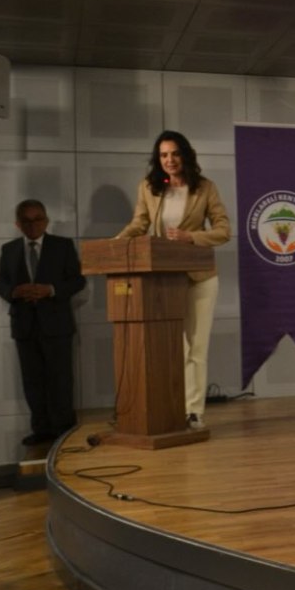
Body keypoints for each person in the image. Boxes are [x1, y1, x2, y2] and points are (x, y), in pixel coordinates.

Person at [117, 130, 231, 430]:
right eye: (164, 155)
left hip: (200, 277)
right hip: (164, 278)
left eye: (175, 154)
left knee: (196, 346)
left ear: (185, 155)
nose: (169, 160)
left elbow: (223, 230)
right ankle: (170, 406)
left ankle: (193, 411)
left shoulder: (205, 188)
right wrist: (115, 244)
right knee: (171, 347)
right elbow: (139, 224)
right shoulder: (149, 187)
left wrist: (190, 237)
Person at [0, 200, 86, 446]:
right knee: (32, 380)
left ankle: (64, 430)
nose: (33, 225)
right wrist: (14, 292)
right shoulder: (9, 250)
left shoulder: (62, 246)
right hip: (24, 326)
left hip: (56, 324)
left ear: (46, 221)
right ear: (18, 224)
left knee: (60, 379)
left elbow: (78, 281)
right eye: (27, 221)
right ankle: (41, 429)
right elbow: (0, 283)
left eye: (38, 219)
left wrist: (51, 290)